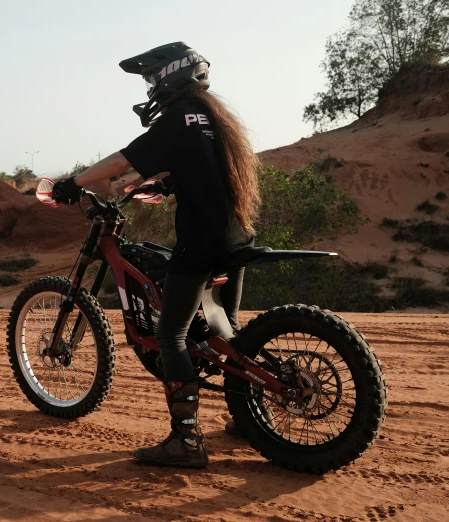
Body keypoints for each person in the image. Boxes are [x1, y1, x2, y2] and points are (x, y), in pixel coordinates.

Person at [52, 42, 260, 469]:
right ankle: (249, 415)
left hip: (202, 243)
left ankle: (186, 441)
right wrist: (165, 186)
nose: (149, 87)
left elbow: (121, 160)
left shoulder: (177, 120)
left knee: (171, 336)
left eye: (151, 78)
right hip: (237, 237)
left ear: (171, 76)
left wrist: (73, 182)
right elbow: (205, 171)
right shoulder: (214, 121)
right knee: (229, 333)